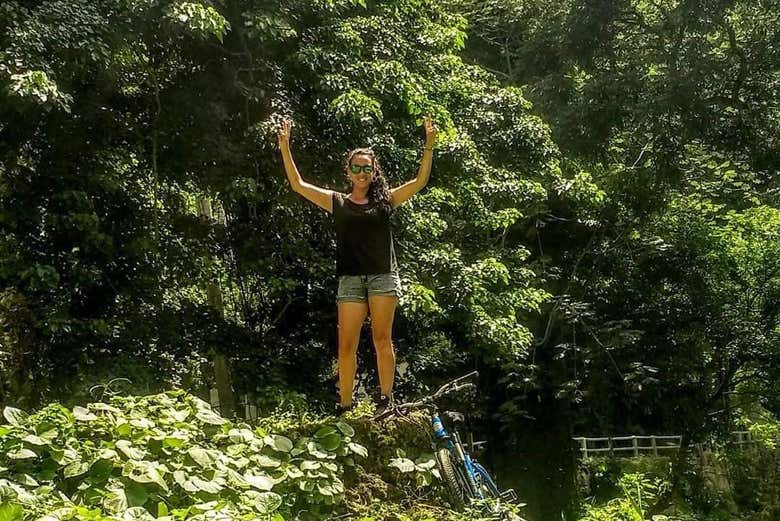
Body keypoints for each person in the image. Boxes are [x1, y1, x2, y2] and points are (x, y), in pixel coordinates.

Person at [277, 116, 437, 412]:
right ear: (348, 172)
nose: (362, 173)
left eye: (367, 168)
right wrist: (285, 147)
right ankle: (345, 405)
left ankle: (386, 400)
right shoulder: (337, 201)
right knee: (346, 344)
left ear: (374, 171)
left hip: (382, 277)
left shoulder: (385, 200)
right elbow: (299, 185)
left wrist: (428, 146)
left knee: (381, 339)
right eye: (356, 167)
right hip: (350, 278)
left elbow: (419, 182)